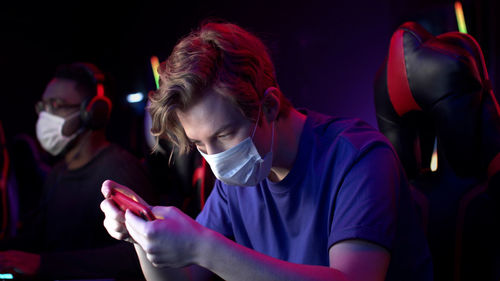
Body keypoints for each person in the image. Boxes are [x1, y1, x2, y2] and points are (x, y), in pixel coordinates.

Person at [100, 22, 433, 281]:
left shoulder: (360, 158)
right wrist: (141, 235)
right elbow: (183, 278)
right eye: (200, 145)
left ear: (270, 106)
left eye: (225, 135)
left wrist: (204, 246)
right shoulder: (236, 183)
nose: (216, 160)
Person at [0, 62, 154, 280]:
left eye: (56, 105)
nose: (45, 115)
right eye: (43, 106)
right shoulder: (58, 173)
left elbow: (138, 255)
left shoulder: (118, 171)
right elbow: (39, 236)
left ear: (92, 112)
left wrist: (44, 264)